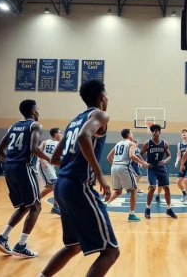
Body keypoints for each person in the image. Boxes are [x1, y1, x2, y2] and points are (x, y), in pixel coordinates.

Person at [39, 80, 119, 277]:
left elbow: (55, 159)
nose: (107, 98)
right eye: (106, 95)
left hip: (62, 185)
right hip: (78, 186)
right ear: (102, 97)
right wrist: (99, 174)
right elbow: (84, 137)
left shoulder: (75, 120)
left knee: (73, 246)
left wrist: (74, 164)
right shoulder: (100, 115)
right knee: (111, 251)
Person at [0, 99, 50, 258]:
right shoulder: (35, 125)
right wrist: (50, 159)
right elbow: (33, 148)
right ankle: (21, 245)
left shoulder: (13, 126)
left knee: (24, 206)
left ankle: (2, 237)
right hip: (23, 167)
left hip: (9, 168)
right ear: (33, 111)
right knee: (36, 207)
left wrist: (11, 162)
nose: (39, 112)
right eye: (37, 109)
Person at [106, 129, 149, 221]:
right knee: (134, 190)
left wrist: (115, 164)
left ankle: (105, 204)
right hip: (123, 166)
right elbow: (132, 156)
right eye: (131, 133)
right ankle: (131, 215)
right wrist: (143, 163)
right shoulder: (131, 144)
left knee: (118, 191)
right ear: (129, 134)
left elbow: (108, 157)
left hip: (114, 167)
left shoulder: (118, 144)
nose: (132, 135)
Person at [140, 124, 177, 219]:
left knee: (167, 188)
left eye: (156, 131)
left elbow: (169, 155)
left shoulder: (165, 143)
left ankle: (169, 209)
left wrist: (165, 160)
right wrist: (144, 162)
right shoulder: (147, 143)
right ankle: (147, 209)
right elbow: (140, 154)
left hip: (161, 168)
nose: (154, 132)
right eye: (152, 131)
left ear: (159, 132)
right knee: (152, 188)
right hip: (152, 168)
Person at [36, 127, 63, 215]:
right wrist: (41, 160)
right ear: (55, 134)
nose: (61, 134)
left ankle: (34, 201)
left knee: (51, 188)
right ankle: (55, 207)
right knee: (56, 185)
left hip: (51, 166)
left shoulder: (60, 144)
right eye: (60, 133)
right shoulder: (45, 142)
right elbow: (37, 151)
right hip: (44, 164)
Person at [175, 129, 187, 204]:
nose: (183, 133)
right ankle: (184, 193)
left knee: (186, 180)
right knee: (178, 182)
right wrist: (177, 161)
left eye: (185, 132)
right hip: (183, 165)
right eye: (182, 133)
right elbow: (179, 154)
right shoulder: (179, 144)